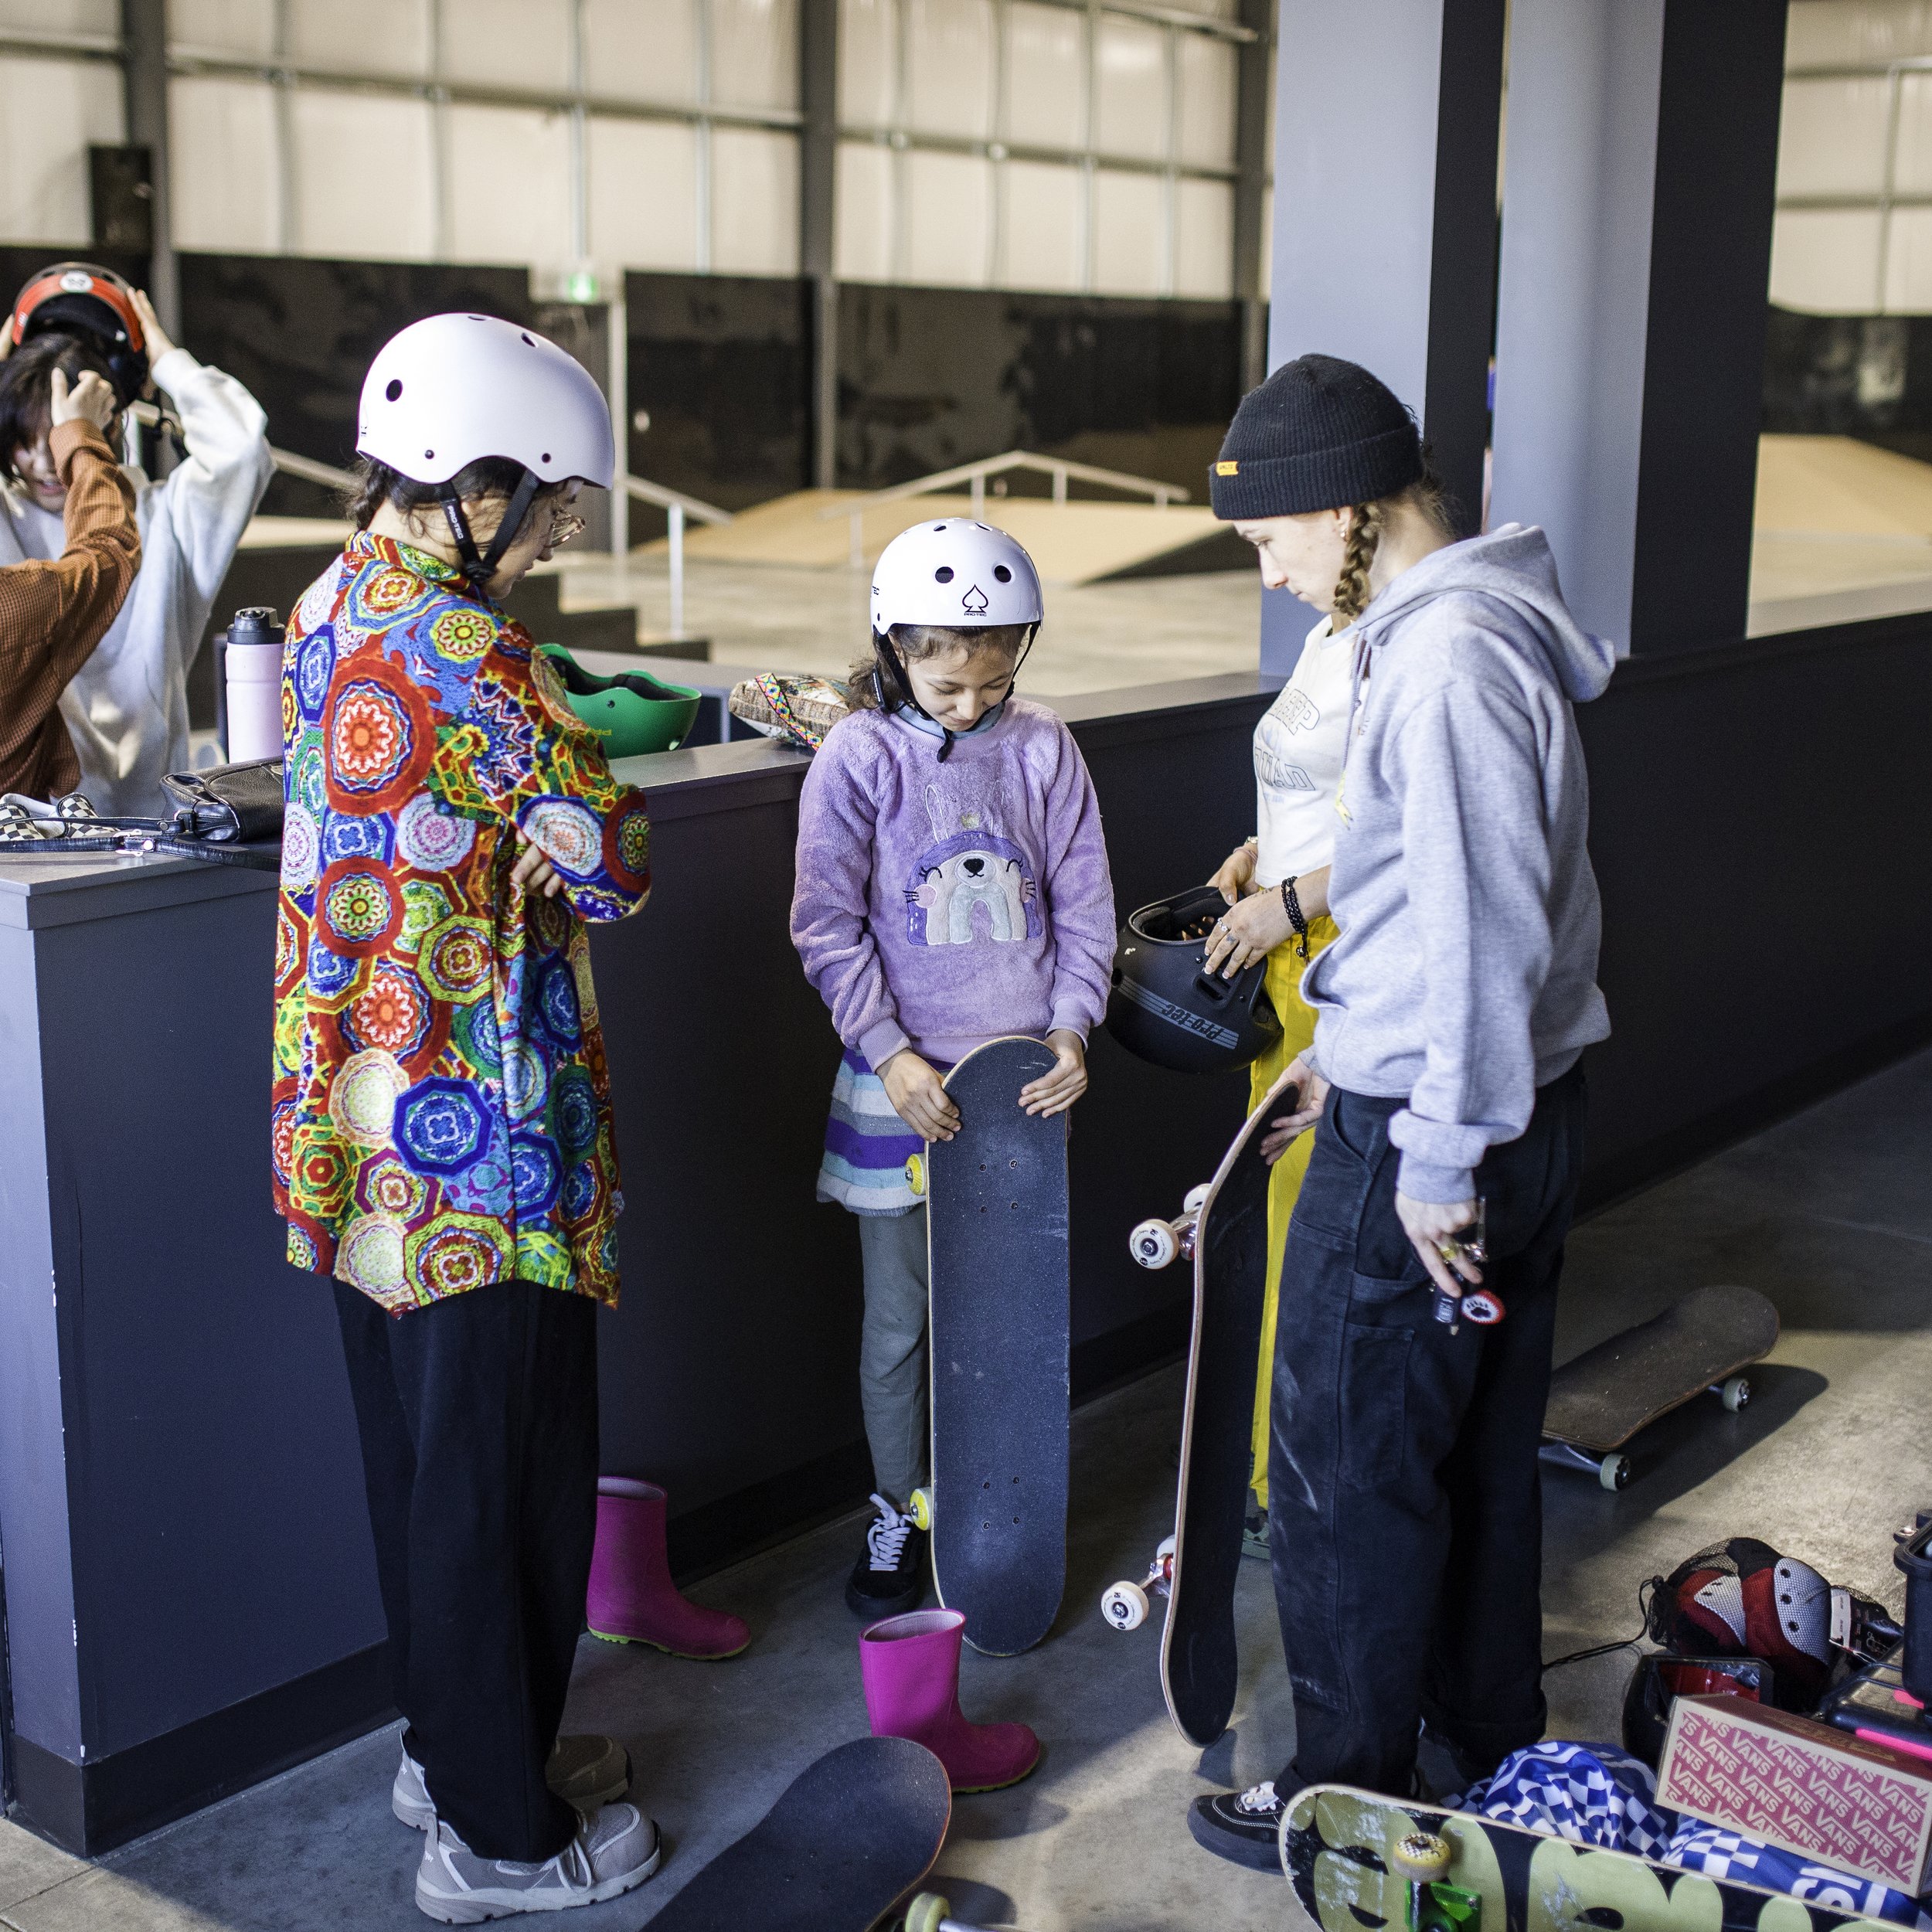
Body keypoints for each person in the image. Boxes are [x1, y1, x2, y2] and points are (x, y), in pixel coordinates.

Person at [1185, 354, 1613, 1867]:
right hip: (1499, 1100)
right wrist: (1338, 1048)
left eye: (1270, 537)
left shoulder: (1439, 662)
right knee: (1473, 1454)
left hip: (1445, 1136)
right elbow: (1411, 884)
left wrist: (1429, 1145)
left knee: (1342, 1468)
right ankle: (1476, 1743)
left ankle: (1348, 1792)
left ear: (1349, 508)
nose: (1270, 565)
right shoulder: (1469, 632)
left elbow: (1483, 919)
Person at [271, 313, 660, 1921]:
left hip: (358, 1135)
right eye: (553, 500)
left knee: (423, 1471)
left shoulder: (323, 605)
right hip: (481, 1154)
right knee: (504, 1477)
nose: (562, 530)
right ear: (470, 483)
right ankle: (500, 1837)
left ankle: (452, 1747)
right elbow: (614, 854)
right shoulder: (470, 651)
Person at [790, 519, 1117, 1627]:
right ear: (893, 649)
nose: (968, 704)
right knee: (902, 1323)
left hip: (1022, 1089)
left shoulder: (1043, 747)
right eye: (943, 683)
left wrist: (1074, 1031)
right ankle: (899, 1507)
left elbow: (1084, 905)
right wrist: (888, 1053)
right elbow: (827, 926)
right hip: (902, 1086)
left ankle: (995, 1508)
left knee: (1009, 1321)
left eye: (991, 681)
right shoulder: (859, 757)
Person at [1198, 527, 1363, 1551]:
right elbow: (1332, 794)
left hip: (1335, 960)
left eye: (1268, 536)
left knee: (1313, 1235)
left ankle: (1297, 1481)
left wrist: (1294, 902)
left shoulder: (1408, 641)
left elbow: (1418, 838)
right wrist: (1264, 862)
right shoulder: (1331, 629)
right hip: (1289, 947)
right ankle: (1270, 1469)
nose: (1266, 573)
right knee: (1268, 1222)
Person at [0, 262, 272, 813]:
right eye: (28, 441)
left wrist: (167, 361)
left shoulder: (164, 515)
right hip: (35, 832)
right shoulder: (5, 517)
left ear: (111, 421)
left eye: (62, 435)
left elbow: (241, 452)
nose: (47, 460)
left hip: (154, 822)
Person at [0, 361, 140, 796]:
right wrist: (78, 437)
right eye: (24, 440)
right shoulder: (18, 605)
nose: (43, 461)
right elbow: (110, 547)